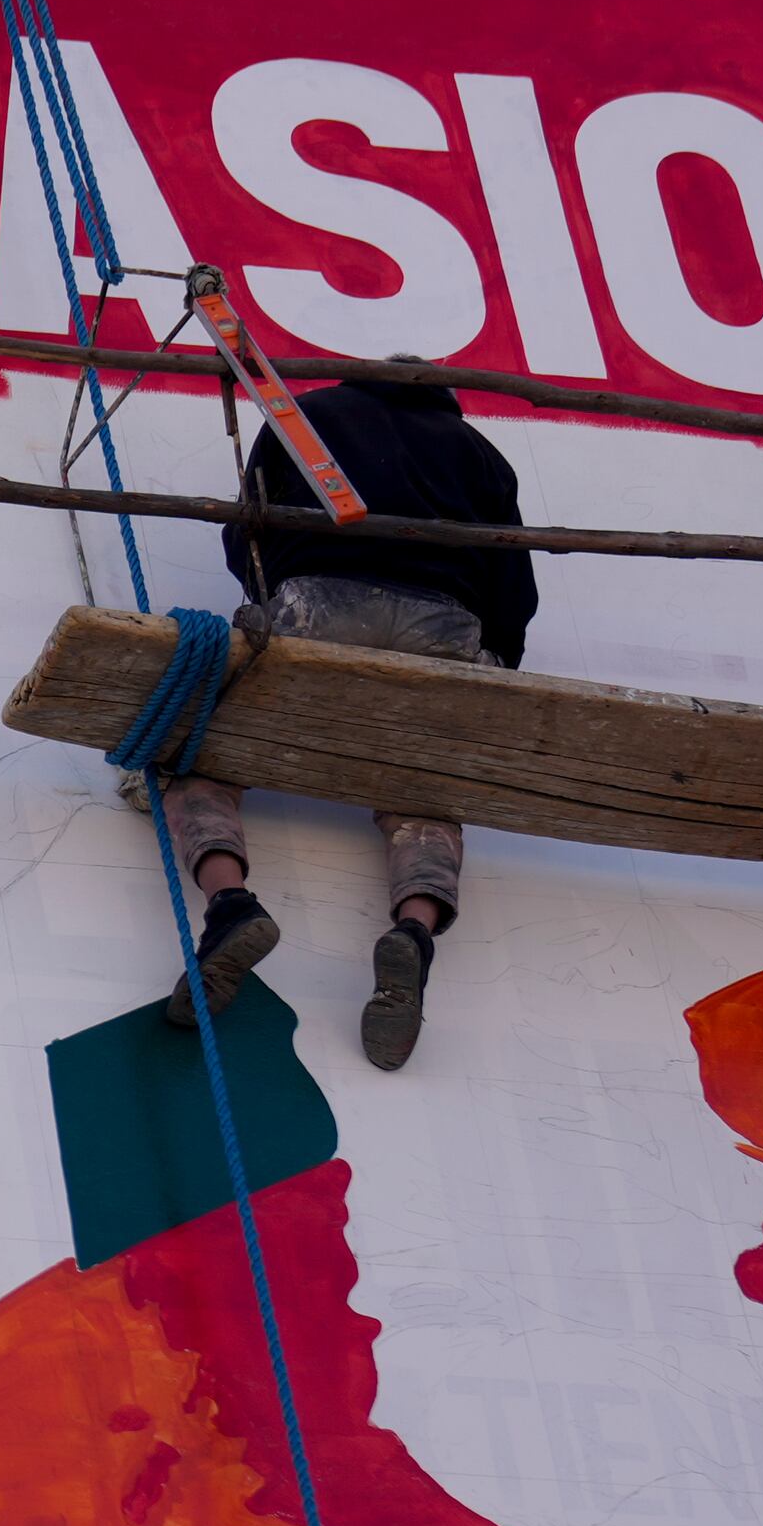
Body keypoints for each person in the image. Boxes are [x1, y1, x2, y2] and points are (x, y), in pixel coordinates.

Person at [160, 376, 532, 1075]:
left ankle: (231, 902)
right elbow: (514, 586)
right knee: (427, 795)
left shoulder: (307, 417)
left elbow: (250, 532)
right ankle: (413, 932)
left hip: (315, 606)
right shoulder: (480, 453)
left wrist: (267, 603)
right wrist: (491, 671)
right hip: (441, 626)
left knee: (198, 756)